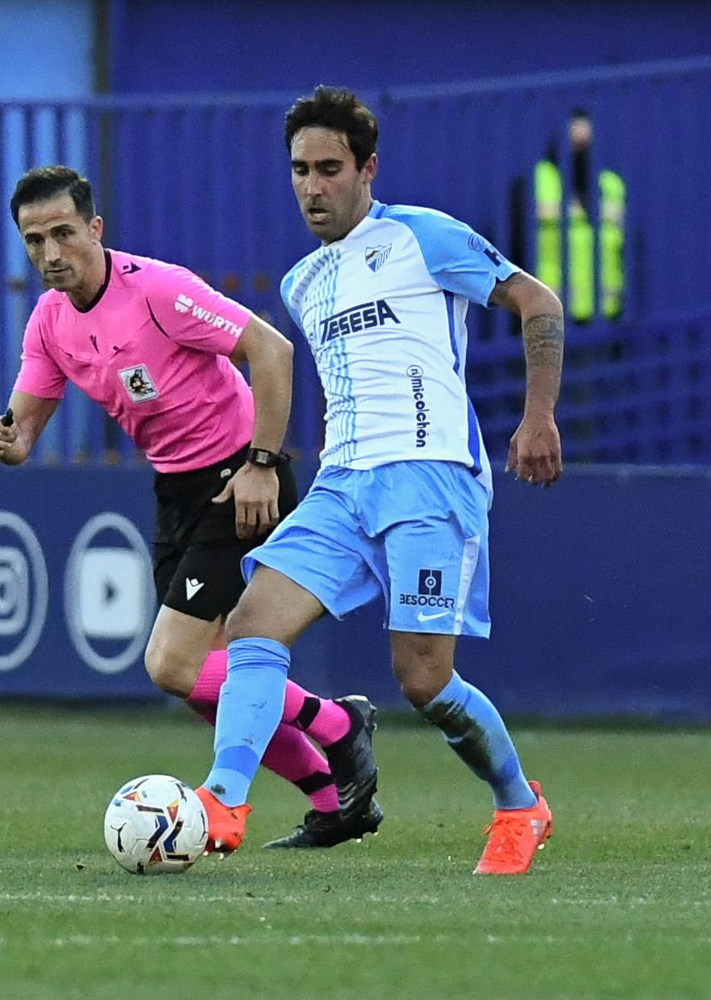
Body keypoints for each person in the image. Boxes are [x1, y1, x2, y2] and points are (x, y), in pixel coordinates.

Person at [192, 87, 565, 875]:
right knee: (252, 622)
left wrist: (538, 417)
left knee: (423, 678)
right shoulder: (301, 282)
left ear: (368, 169)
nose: (312, 186)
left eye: (330, 168)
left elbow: (537, 300)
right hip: (342, 484)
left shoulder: (422, 236)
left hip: (429, 478)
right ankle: (222, 799)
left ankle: (518, 803)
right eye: (300, 170)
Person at [0, 165, 381, 849]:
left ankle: (339, 725)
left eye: (63, 234)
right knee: (203, 685)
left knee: (172, 663)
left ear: (95, 229)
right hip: (176, 491)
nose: (50, 253)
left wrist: (262, 464)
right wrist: (7, 441)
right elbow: (24, 427)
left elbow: (272, 349)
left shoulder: (157, 290)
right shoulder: (49, 320)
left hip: (238, 479)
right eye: (34, 240)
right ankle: (334, 798)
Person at [534, 107, 626, 323]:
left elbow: (622, 222)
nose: (579, 150)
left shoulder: (611, 183)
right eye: (574, 142)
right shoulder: (542, 177)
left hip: (608, 308)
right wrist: (591, 211)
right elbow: (538, 210)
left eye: (585, 143)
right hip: (555, 306)